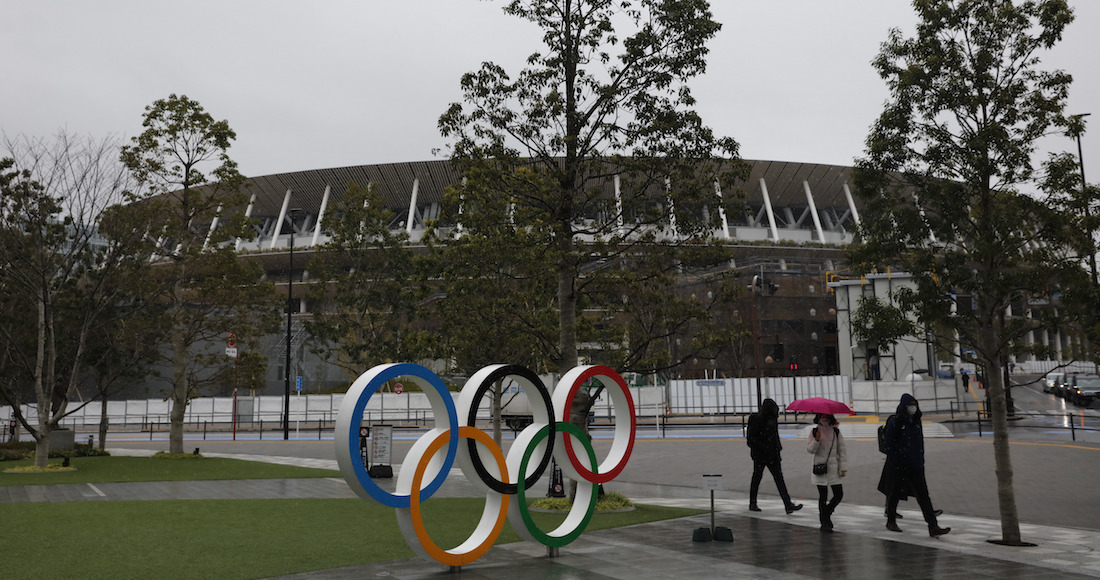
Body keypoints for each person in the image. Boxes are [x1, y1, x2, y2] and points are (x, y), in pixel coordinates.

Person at [881, 394, 951, 537]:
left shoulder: (917, 421)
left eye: (914, 404)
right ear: (904, 406)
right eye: (910, 405)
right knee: (894, 493)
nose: (913, 407)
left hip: (916, 465)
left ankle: (933, 526)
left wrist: (920, 459)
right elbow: (888, 444)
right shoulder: (896, 421)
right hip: (900, 465)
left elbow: (919, 442)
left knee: (923, 495)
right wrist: (896, 459)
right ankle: (891, 521)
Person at [746, 398, 803, 514]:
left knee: (761, 478)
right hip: (766, 454)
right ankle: (786, 504)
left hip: (766, 454)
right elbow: (753, 438)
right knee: (774, 479)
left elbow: (757, 438)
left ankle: (755, 503)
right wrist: (772, 448)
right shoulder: (762, 419)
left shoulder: (765, 418)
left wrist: (776, 449)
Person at [807, 413, 846, 532]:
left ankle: (826, 513)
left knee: (838, 494)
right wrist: (817, 439)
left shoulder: (836, 432)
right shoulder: (814, 431)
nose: (824, 418)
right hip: (820, 468)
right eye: (821, 416)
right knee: (823, 496)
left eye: (826, 416)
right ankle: (824, 522)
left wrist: (843, 468)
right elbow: (810, 450)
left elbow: (842, 451)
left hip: (833, 468)